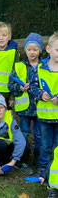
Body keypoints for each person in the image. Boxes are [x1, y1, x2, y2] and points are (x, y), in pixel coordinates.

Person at [8, 33, 43, 165]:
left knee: (40, 135)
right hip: (24, 109)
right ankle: (23, 160)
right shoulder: (19, 66)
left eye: (35, 49)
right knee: (24, 134)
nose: (32, 52)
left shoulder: (45, 66)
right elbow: (11, 84)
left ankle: (40, 161)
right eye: (29, 49)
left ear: (40, 50)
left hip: (41, 107)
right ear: (25, 50)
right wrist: (20, 89)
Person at [29, 32, 58, 180]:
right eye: (57, 50)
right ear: (48, 49)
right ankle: (43, 172)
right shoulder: (40, 68)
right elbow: (33, 87)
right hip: (45, 117)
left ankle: (55, 174)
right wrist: (41, 94)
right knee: (45, 147)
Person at [0, 93, 32, 176]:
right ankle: (0, 164)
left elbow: (20, 141)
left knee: (25, 142)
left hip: (10, 148)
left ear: (5, 108)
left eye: (1, 107)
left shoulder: (10, 119)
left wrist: (13, 161)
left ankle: (19, 162)